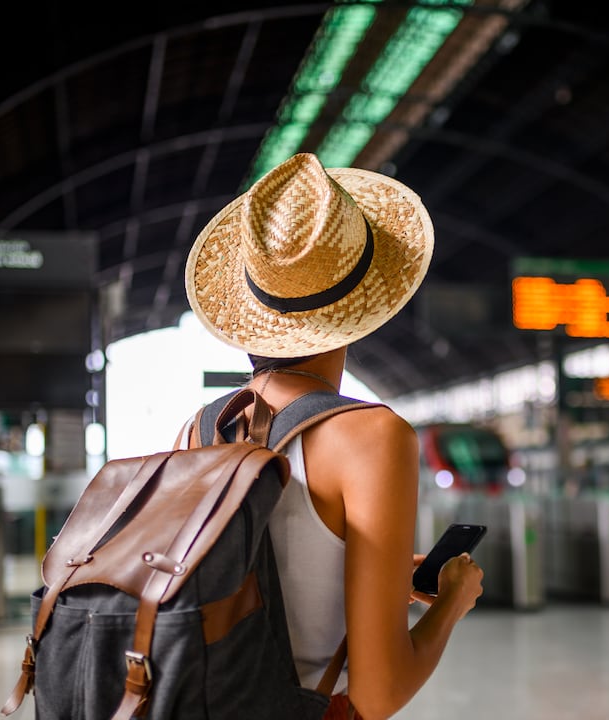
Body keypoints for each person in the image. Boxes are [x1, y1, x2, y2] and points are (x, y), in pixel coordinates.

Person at [184, 152, 485, 720]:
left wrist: (375, 575)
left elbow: (243, 583)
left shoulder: (198, 428)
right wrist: (452, 606)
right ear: (360, 308)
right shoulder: (373, 435)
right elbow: (378, 695)